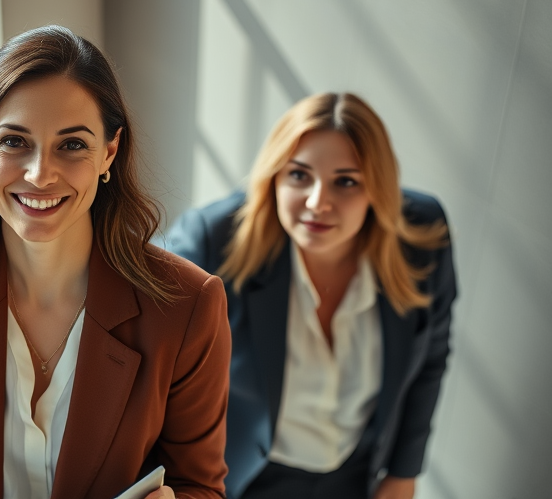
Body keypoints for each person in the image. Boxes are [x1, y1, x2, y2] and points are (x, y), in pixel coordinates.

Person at [0, 25, 231, 498]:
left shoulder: (187, 305)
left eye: (72, 145)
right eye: (14, 141)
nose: (40, 174)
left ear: (109, 152)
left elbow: (200, 486)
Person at [166, 93, 457, 499]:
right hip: (242, 479)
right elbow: (150, 367)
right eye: (299, 175)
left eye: (346, 181)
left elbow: (431, 358)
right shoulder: (211, 241)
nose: (319, 202)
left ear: (378, 188)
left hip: (356, 476)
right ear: (274, 177)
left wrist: (403, 472)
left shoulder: (422, 237)